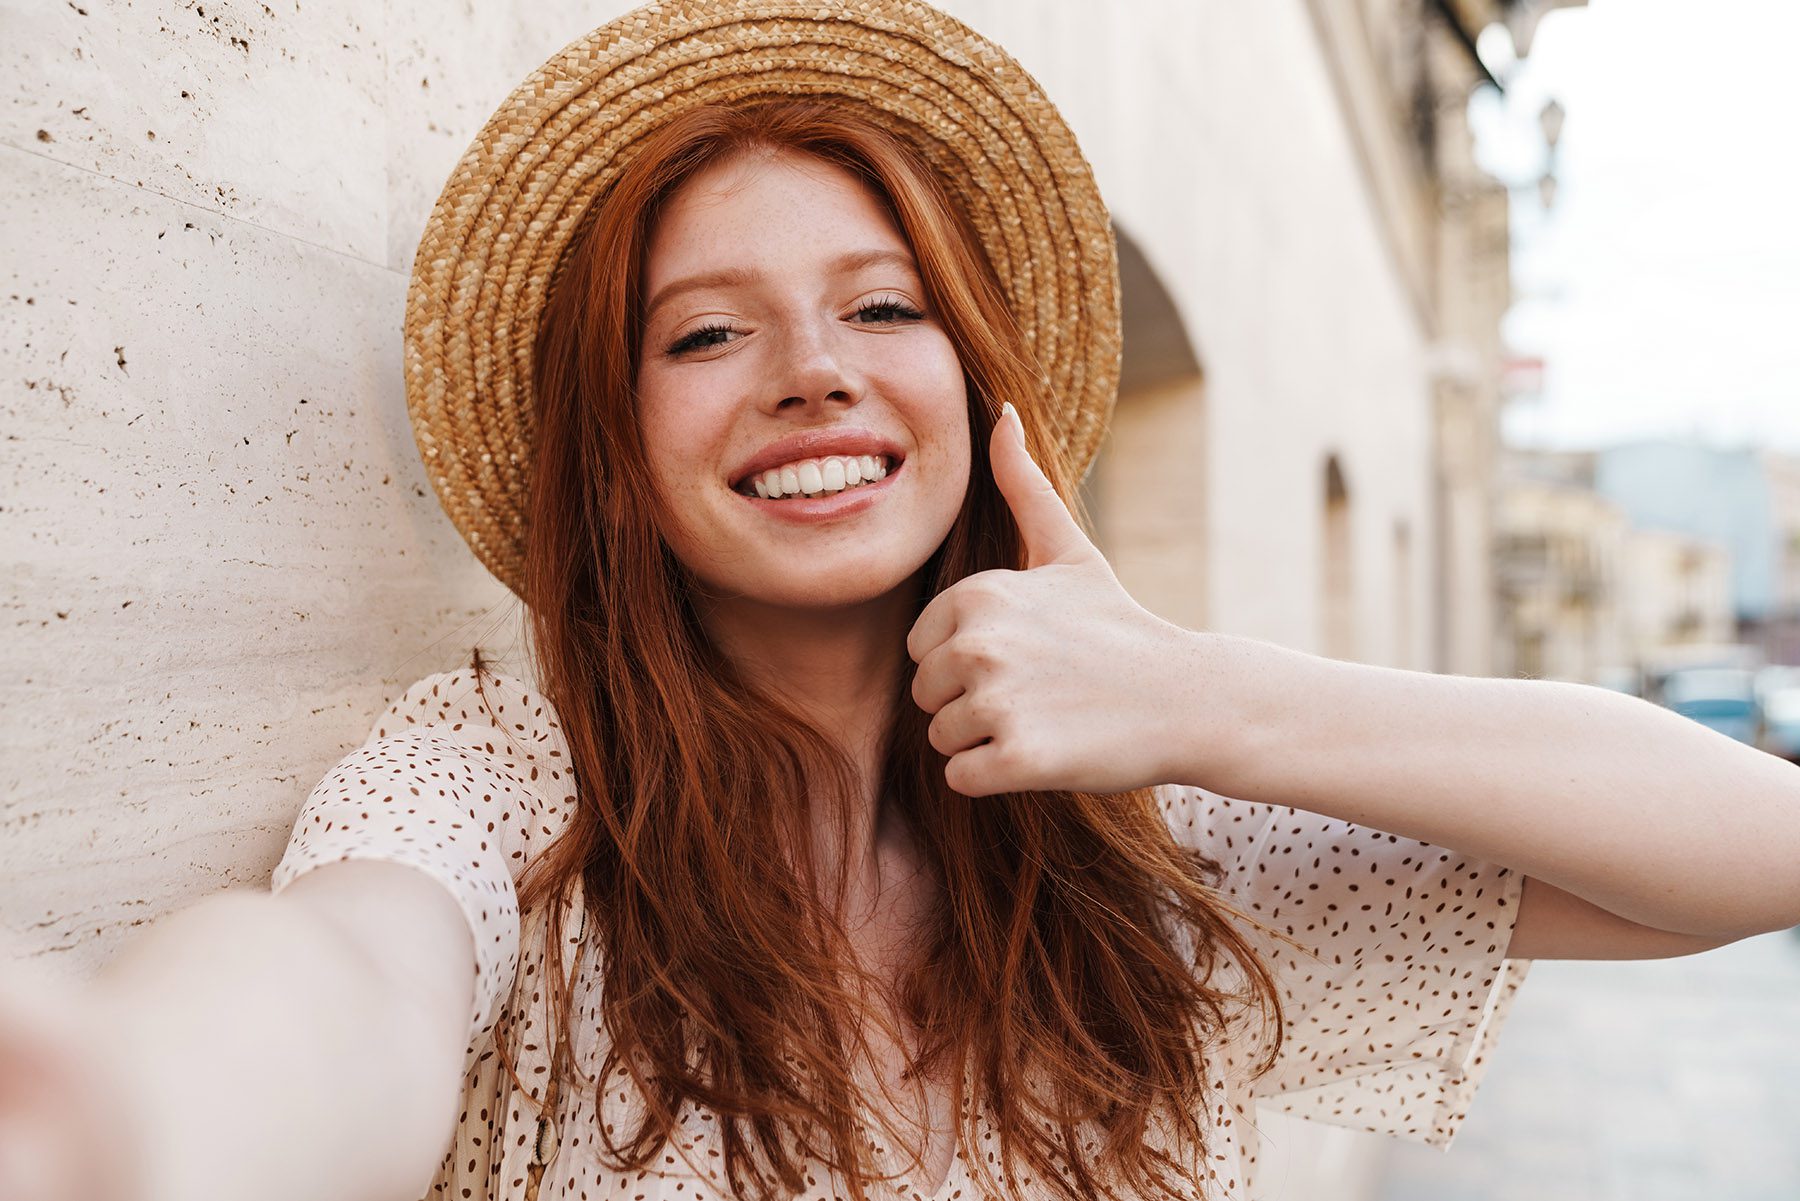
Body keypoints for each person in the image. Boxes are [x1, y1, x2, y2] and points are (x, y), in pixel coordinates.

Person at [5, 3, 1798, 1200]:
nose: (812, 369)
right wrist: (126, 1113)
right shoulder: (500, 789)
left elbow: (1755, 850)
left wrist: (1202, 695)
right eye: (705, 333)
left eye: (883, 307)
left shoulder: (1136, 842)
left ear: (975, 385)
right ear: (614, 452)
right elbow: (345, 984)